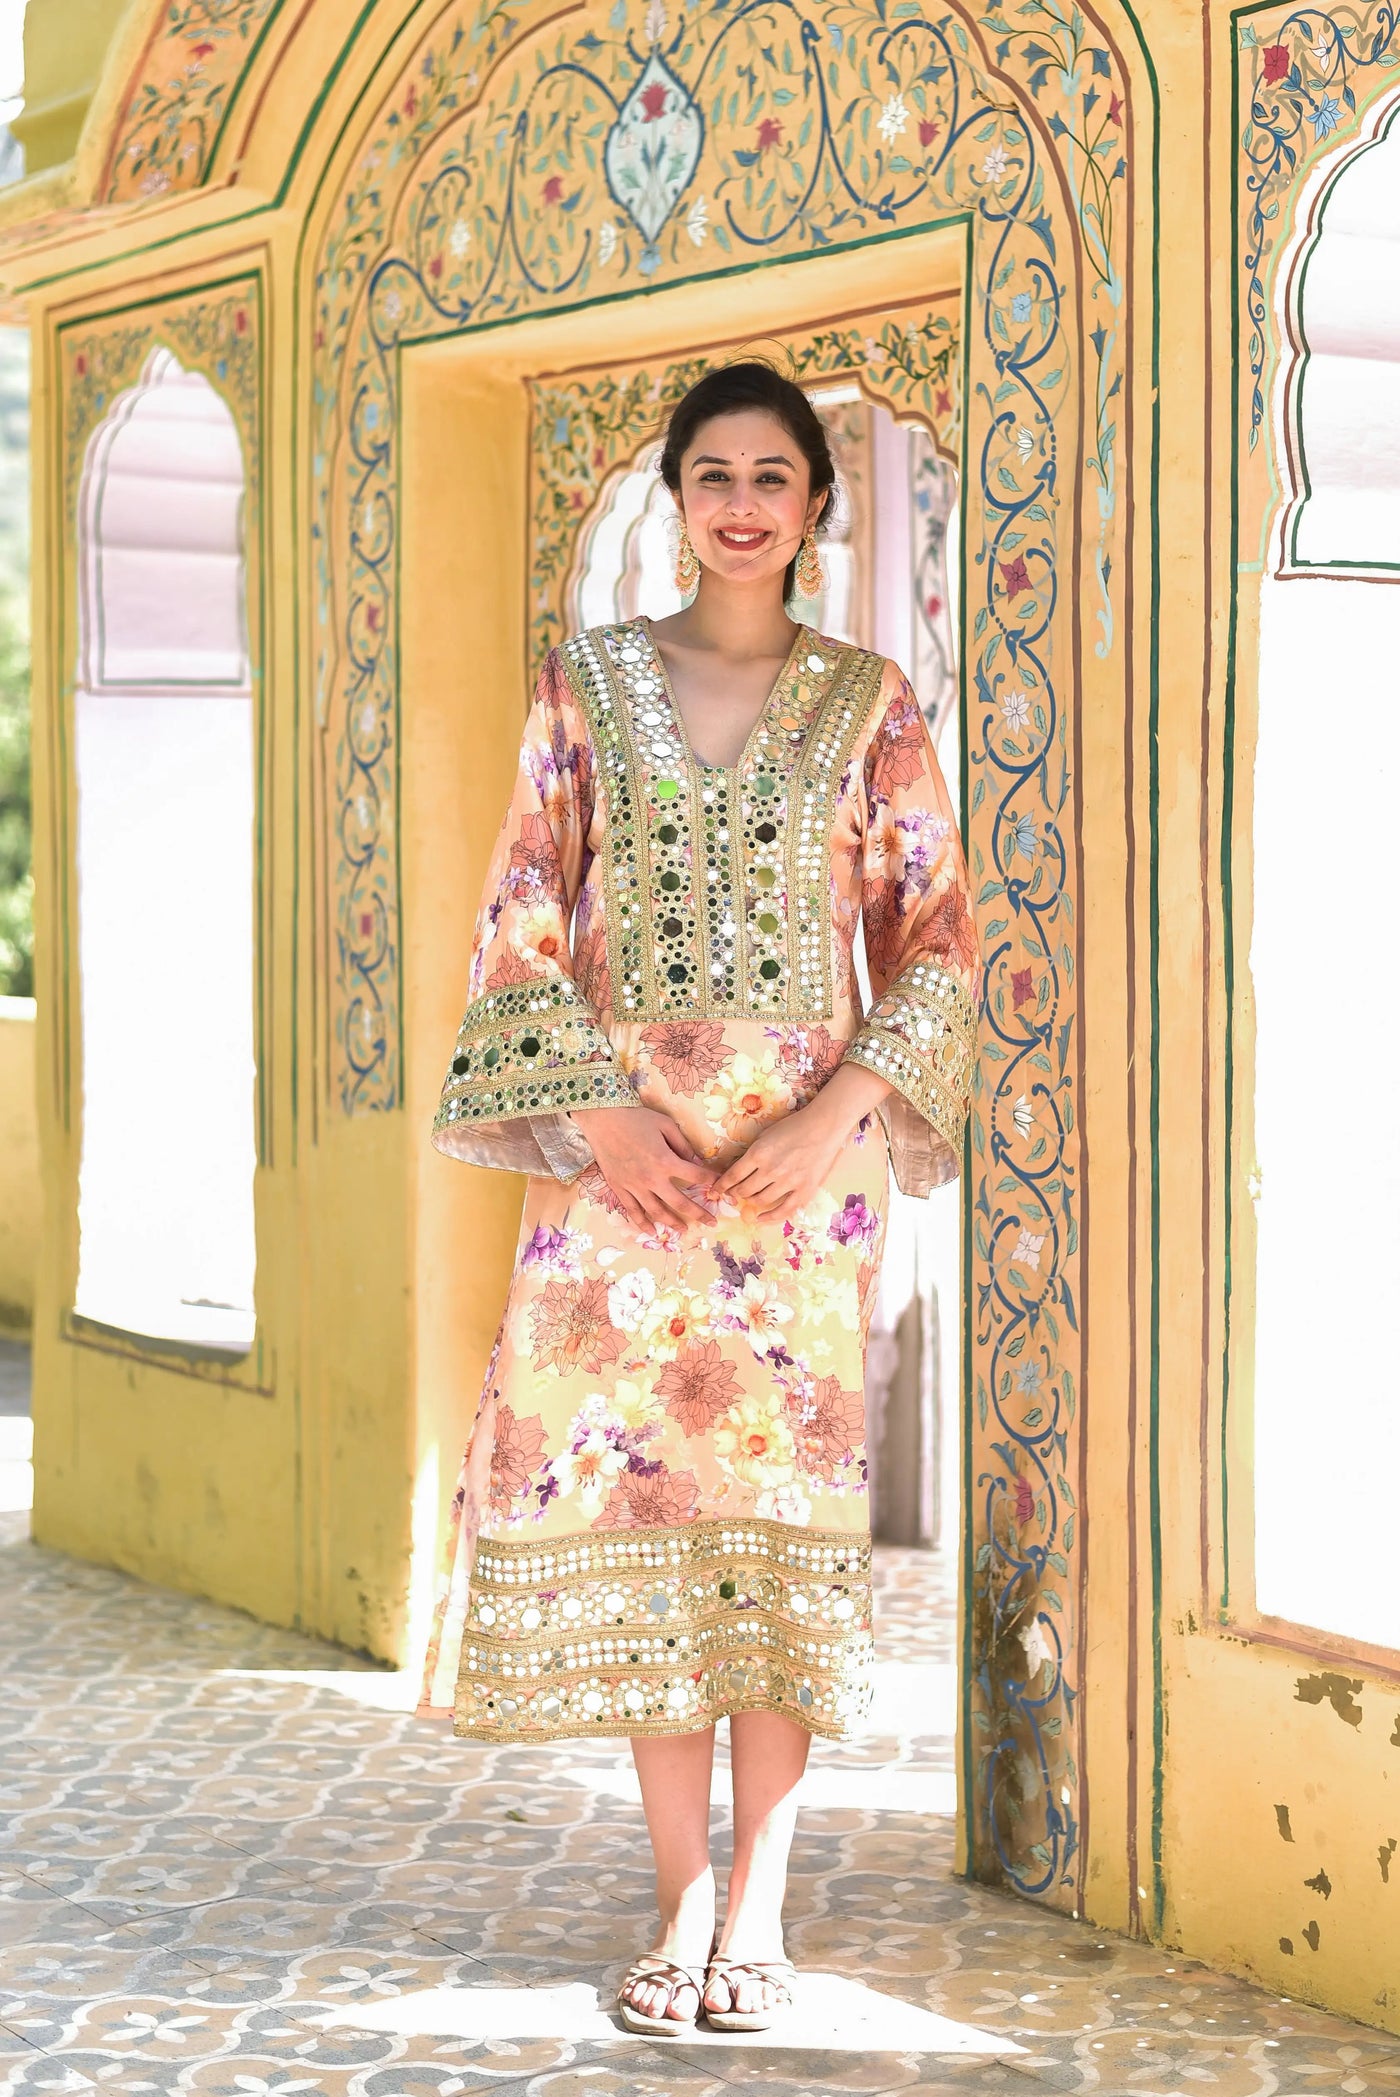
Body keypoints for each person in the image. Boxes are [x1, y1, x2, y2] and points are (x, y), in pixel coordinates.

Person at [423, 360, 978, 2035]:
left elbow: (936, 940)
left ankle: (760, 1911)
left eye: (772, 475)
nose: (742, 502)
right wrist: (599, 1115)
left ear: (816, 504)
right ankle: (677, 1900)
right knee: (655, 1529)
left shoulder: (871, 703)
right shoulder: (587, 685)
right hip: (623, 1190)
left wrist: (840, 1114)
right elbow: (522, 914)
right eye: (713, 474)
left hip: (800, 1198)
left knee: (776, 1528)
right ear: (676, 498)